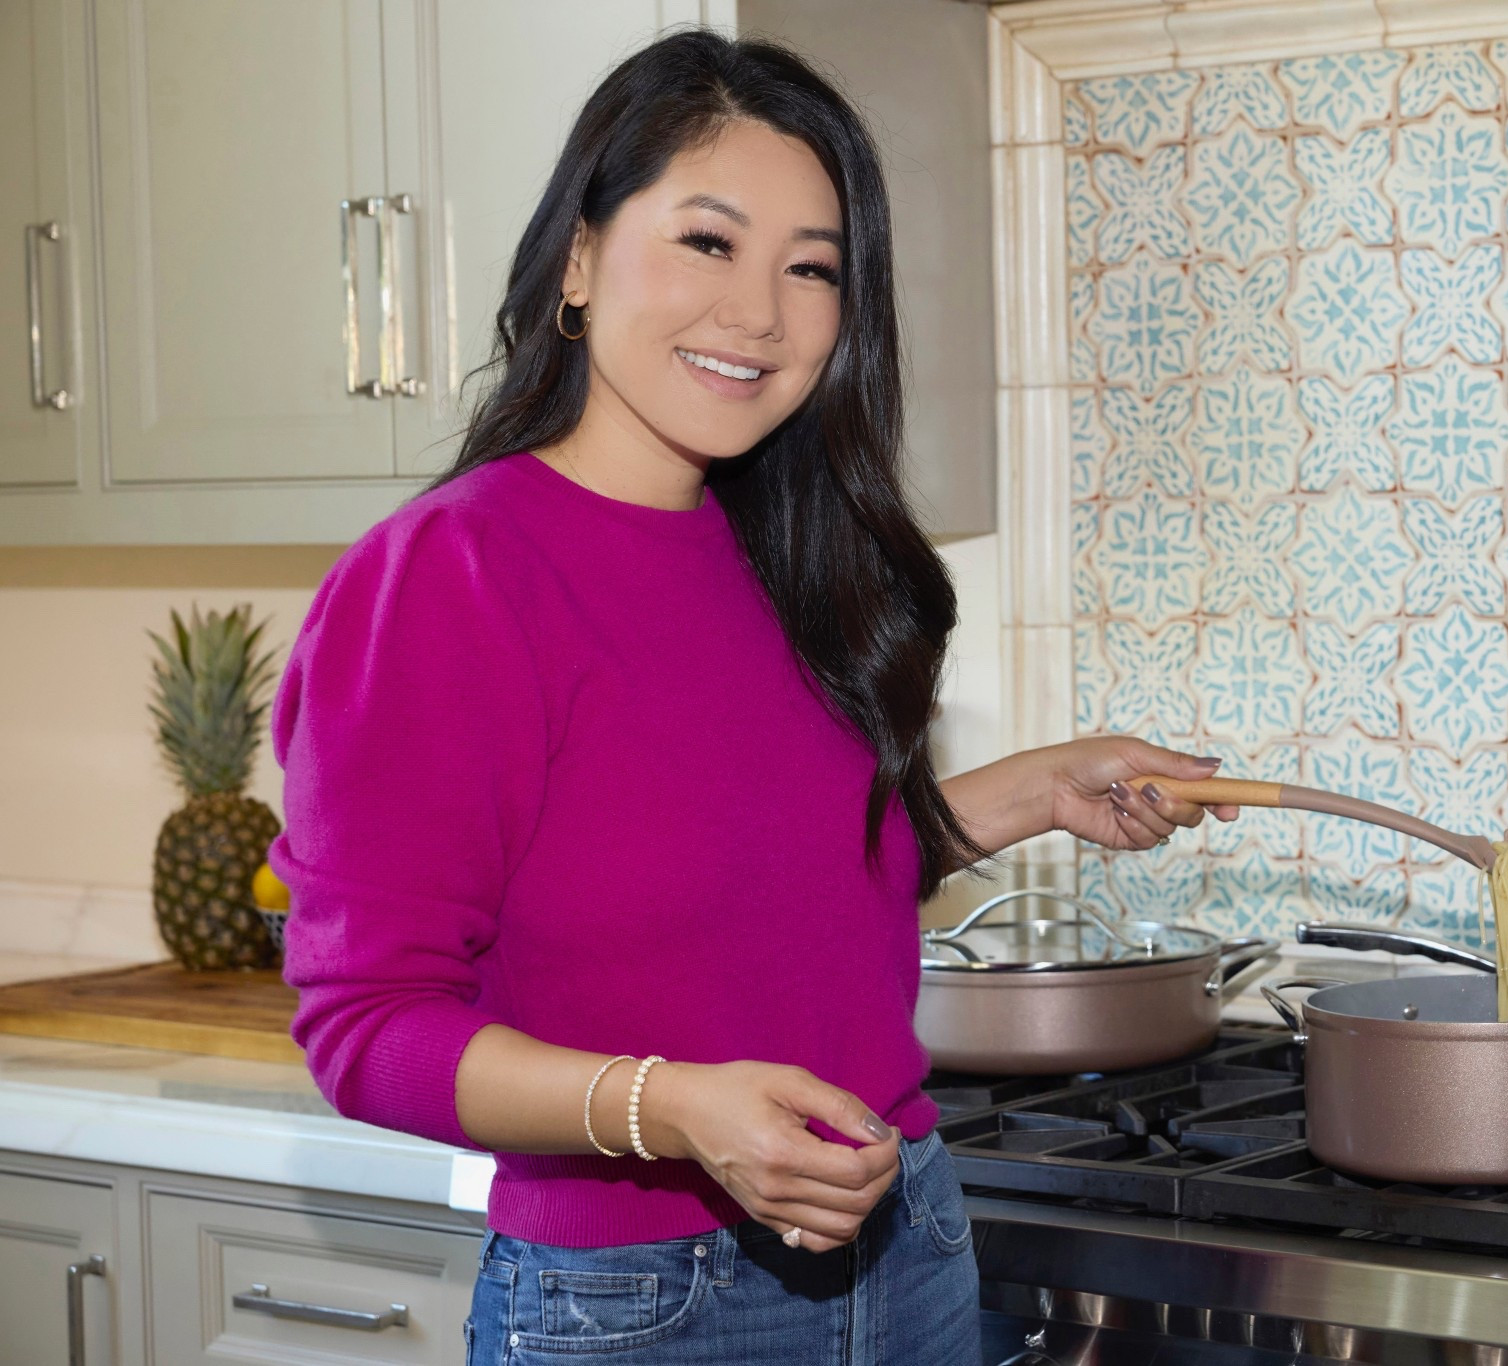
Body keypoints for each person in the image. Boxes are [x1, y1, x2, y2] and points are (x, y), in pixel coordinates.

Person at [270, 28, 1234, 1366]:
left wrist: (1032, 791)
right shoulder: (448, 579)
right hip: (639, 1300)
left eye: (811, 268)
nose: (762, 314)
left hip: (910, 1247)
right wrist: (674, 1110)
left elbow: (775, 888)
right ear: (579, 259)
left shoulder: (794, 551)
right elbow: (366, 1030)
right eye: (709, 242)